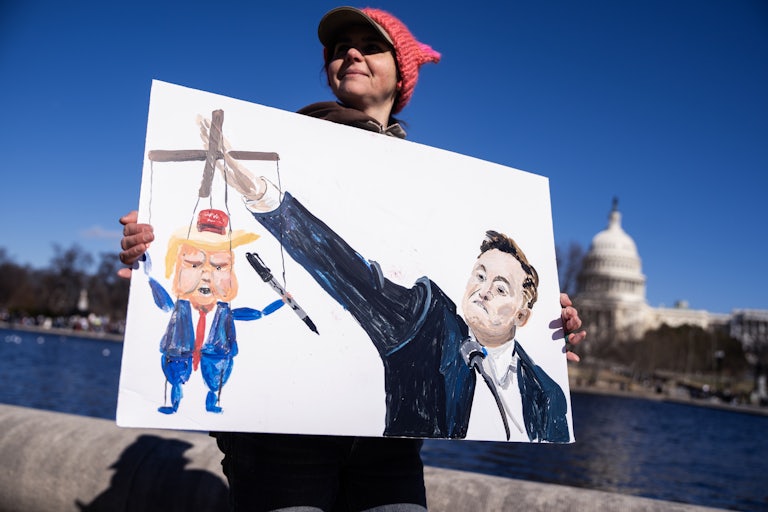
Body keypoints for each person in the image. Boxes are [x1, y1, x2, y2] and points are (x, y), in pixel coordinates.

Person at [119, 6, 586, 511]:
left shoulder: (437, 189)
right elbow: (327, 259)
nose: (351, 53)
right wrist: (152, 240)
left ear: (402, 73)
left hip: (387, 451)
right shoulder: (281, 141)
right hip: (282, 440)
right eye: (341, 48)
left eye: (370, 45)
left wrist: (545, 328)